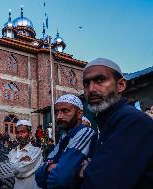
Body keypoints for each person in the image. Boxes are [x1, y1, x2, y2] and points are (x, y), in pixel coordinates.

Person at [80, 58, 153, 189]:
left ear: (121, 85)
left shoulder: (132, 121)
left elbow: (101, 183)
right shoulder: (106, 123)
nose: (91, 89)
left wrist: (86, 171)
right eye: (86, 83)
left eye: (100, 80)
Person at [35, 94, 96, 189]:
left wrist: (53, 168)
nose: (59, 116)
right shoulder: (64, 138)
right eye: (56, 112)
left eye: (65, 111)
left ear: (80, 114)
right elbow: (38, 176)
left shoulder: (86, 133)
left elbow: (61, 179)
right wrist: (48, 167)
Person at [9, 120, 43, 189]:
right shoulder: (11, 152)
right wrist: (19, 162)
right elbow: (5, 172)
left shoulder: (36, 152)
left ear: (30, 134)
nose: (20, 135)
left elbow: (21, 169)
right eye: (17, 132)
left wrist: (11, 166)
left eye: (23, 132)